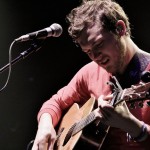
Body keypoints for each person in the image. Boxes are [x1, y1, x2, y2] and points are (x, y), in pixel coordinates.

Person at [31, 0, 150, 149]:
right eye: (88, 52)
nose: (95, 57)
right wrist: (45, 126)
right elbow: (55, 102)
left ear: (120, 28)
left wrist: (134, 126)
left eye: (98, 45)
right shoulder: (90, 72)